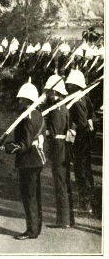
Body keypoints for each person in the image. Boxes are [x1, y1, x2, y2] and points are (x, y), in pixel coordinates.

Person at [1, 81, 46, 240]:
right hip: (37, 159)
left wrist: (6, 147)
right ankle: (35, 228)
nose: (19, 101)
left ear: (28, 100)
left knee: (29, 196)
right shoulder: (38, 113)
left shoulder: (27, 117)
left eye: (22, 99)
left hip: (29, 160)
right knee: (35, 196)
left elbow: (24, 145)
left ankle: (32, 230)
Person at [43, 75, 75, 228]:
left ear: (54, 92)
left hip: (59, 148)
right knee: (64, 183)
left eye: (49, 92)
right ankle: (68, 219)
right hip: (64, 147)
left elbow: (54, 133)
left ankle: (63, 220)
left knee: (60, 183)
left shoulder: (56, 110)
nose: (48, 95)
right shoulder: (64, 108)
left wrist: (44, 134)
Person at [65, 69, 95, 215]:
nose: (67, 86)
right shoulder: (85, 98)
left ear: (76, 85)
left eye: (70, 84)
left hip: (80, 141)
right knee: (85, 170)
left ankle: (86, 203)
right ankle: (89, 201)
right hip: (86, 140)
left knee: (81, 171)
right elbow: (91, 116)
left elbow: (83, 121)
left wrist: (72, 129)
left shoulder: (76, 100)